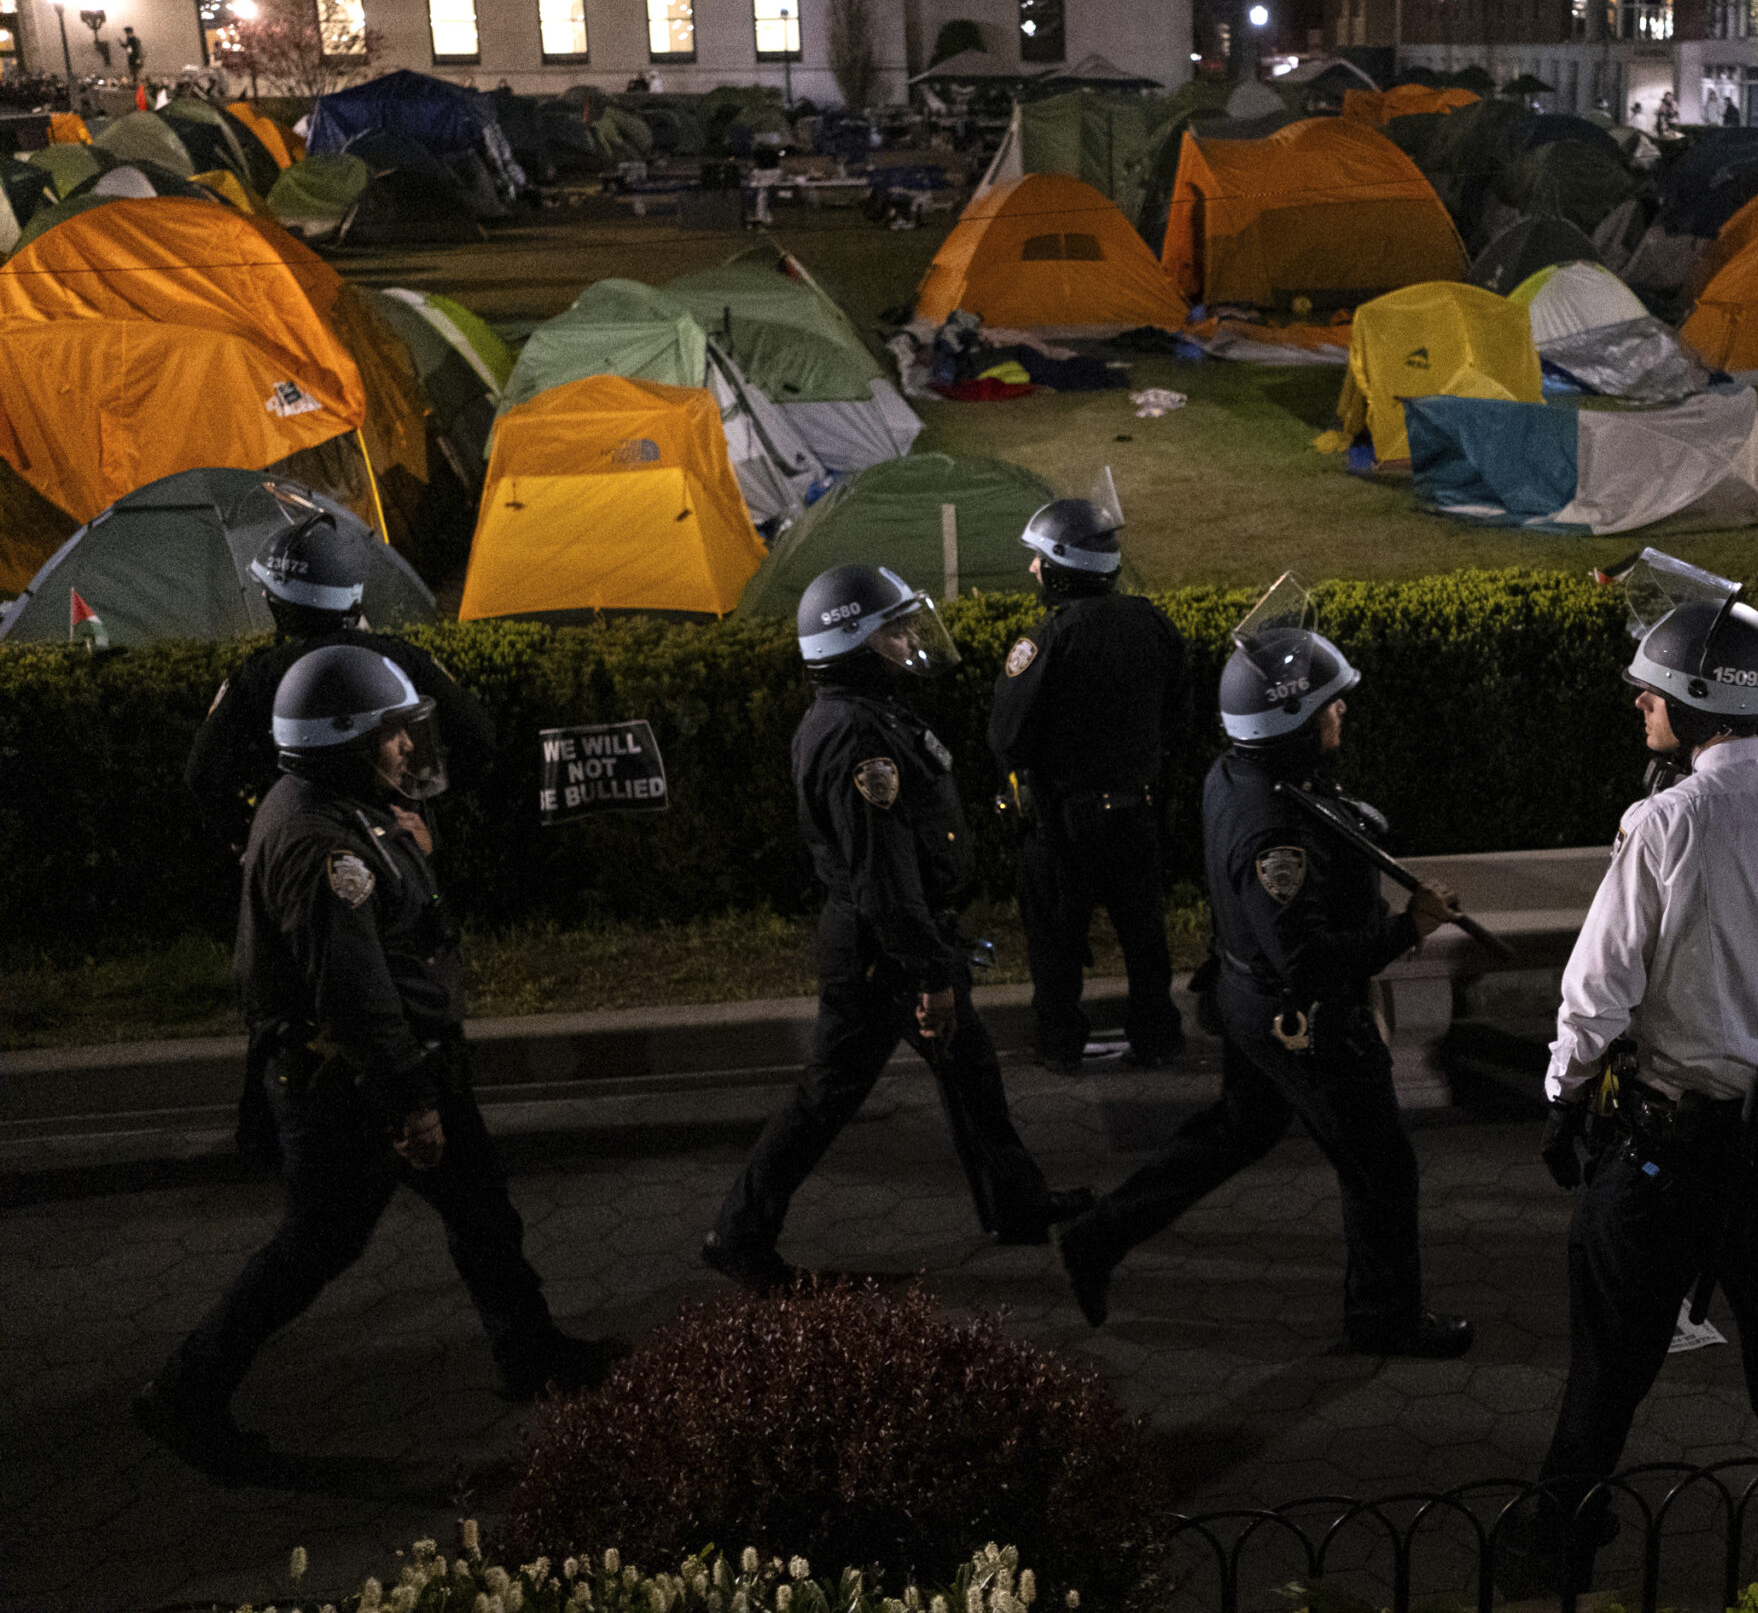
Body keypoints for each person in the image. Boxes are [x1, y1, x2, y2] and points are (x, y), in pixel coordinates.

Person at [1506, 562, 1758, 1591]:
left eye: (1652, 691)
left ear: (1694, 702)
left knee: (1611, 1353)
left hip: (1667, 1138)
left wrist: (1562, 1093)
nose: (1640, 703)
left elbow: (1598, 988)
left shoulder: (1663, 824)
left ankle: (1561, 1537)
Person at [133, 648, 616, 1479]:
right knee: (316, 1245)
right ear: (340, 744)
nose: (405, 746)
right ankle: (186, 1391)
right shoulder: (323, 848)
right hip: (354, 1085)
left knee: (481, 1211)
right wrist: (411, 1104)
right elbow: (355, 992)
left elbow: (407, 929)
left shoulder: (345, 808)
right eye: (388, 734)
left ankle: (531, 1353)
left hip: (404, 1063)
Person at [1056, 576, 1472, 1358]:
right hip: (1300, 1020)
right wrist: (1406, 927)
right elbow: (1307, 959)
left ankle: (1097, 1234)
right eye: (1329, 705)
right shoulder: (1276, 829)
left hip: (1248, 1000)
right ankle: (1382, 1317)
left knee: (1234, 1132)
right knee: (1381, 1166)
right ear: (1292, 725)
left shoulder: (1240, 774)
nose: (1342, 711)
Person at [702, 565, 1090, 1287]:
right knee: (828, 1096)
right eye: (895, 630)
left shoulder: (867, 712)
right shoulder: (857, 738)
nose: (911, 639)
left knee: (970, 1073)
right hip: (883, 952)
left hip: (899, 940)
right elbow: (885, 879)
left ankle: (1019, 1204)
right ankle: (739, 1234)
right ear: (851, 643)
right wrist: (930, 975)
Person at [188, 511, 496, 1164]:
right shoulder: (400, 660)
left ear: (279, 602)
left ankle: (277, 1137)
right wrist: (419, 818)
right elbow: (478, 736)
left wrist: (249, 841)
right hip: (398, 867)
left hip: (297, 868)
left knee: (294, 992)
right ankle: (433, 1122)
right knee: (408, 982)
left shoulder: (258, 676)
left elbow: (203, 774)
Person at [987, 484, 1192, 1073]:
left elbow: (1006, 736)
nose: (1033, 568)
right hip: (1137, 815)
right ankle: (1157, 1038)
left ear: (1062, 568)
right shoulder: (1155, 624)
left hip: (1065, 826)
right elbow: (1179, 719)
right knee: (1144, 938)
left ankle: (1059, 1044)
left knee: (1056, 944)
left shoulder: (1048, 639)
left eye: (1040, 558)